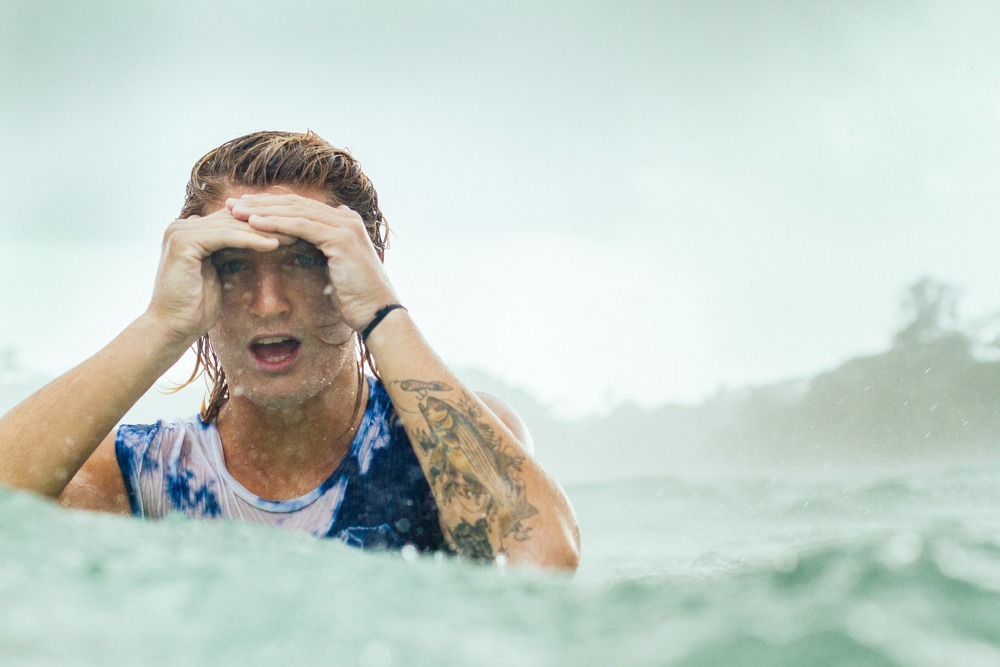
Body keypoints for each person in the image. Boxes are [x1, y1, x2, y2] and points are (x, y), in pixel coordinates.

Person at [0, 130, 580, 570]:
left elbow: (542, 563)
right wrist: (161, 325)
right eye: (232, 264)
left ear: (359, 268)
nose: (269, 302)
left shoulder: (438, 452)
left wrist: (383, 314)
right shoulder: (139, 477)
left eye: (305, 259)